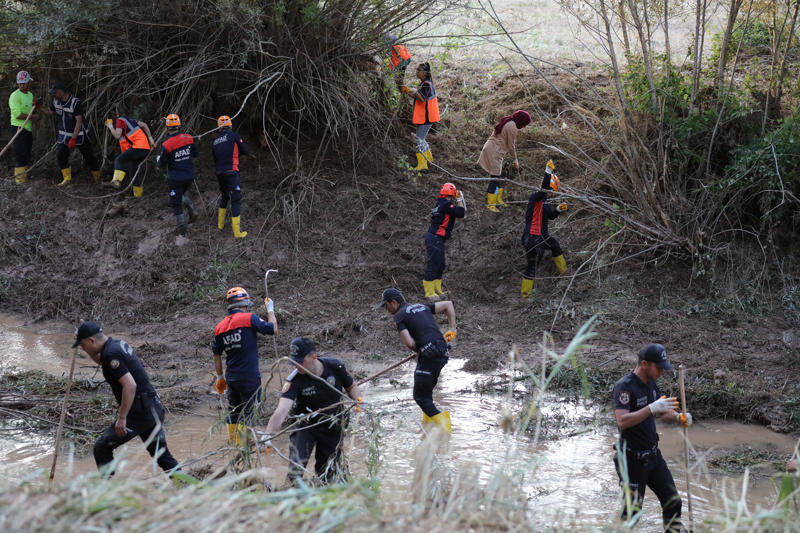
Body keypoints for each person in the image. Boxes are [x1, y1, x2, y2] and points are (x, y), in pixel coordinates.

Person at [72, 321, 180, 475]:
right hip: (153, 408)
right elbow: (103, 361)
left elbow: (130, 386)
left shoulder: (111, 354)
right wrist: (85, 347)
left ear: (92, 340)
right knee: (162, 455)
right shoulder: (116, 345)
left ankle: (106, 492)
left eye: (83, 345)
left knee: (101, 447)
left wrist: (122, 418)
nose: (82, 348)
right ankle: (188, 487)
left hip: (140, 412)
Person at [612, 343, 692, 533]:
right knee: (632, 512)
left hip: (653, 456)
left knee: (673, 501)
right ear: (645, 364)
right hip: (631, 460)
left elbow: (664, 412)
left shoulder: (651, 385)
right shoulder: (625, 387)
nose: (662, 372)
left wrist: (680, 417)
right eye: (659, 367)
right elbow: (622, 421)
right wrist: (651, 408)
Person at [263, 337, 362, 485]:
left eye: (300, 361)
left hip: (332, 426)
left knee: (328, 472)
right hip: (305, 427)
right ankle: (291, 497)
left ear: (313, 358)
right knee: (296, 468)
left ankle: (324, 500)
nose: (296, 366)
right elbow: (282, 411)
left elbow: (351, 387)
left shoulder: (335, 367)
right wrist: (267, 434)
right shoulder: (294, 381)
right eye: (293, 362)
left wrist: (358, 401)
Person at [376, 288, 457, 433]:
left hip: (430, 356)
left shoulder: (399, 316)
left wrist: (418, 348)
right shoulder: (422, 306)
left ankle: (444, 433)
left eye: (386, 306)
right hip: (442, 352)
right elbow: (448, 305)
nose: (386, 310)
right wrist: (452, 329)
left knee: (420, 396)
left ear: (393, 302)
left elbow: (409, 343)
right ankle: (429, 426)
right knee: (426, 394)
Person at [212, 286, 277, 446]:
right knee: (250, 412)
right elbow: (273, 329)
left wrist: (220, 378)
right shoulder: (249, 318)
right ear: (245, 302)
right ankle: (244, 448)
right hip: (249, 378)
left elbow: (216, 354)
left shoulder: (220, 327)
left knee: (234, 412)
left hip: (232, 378)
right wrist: (270, 310)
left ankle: (234, 444)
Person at [35, 81, 101, 186]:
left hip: (79, 135)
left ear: (61, 92)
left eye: (54, 92)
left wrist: (73, 138)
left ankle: (97, 177)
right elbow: (48, 112)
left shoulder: (75, 102)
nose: (53, 94)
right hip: (64, 135)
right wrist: (39, 106)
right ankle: (67, 179)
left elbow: (79, 122)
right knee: (61, 156)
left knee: (89, 156)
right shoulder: (56, 101)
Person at [520, 160, 568, 301]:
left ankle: (565, 274)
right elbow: (544, 189)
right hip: (532, 238)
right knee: (532, 267)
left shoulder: (545, 201)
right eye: (553, 192)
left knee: (555, 246)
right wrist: (547, 172)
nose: (553, 195)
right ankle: (525, 297)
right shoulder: (537, 196)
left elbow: (551, 216)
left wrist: (558, 210)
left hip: (542, 236)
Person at [477, 110, 532, 211]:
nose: (524, 127)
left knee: (498, 175)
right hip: (494, 151)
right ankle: (491, 204)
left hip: (493, 149)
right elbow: (511, 146)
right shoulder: (512, 127)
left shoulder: (509, 122)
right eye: (524, 124)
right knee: (495, 177)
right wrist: (515, 159)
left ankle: (498, 199)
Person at [157, 114, 199, 237]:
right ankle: (191, 211)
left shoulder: (167, 144)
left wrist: (159, 158)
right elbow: (196, 153)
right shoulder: (189, 138)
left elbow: (161, 165)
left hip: (176, 178)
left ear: (166, 128)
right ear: (179, 125)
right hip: (189, 176)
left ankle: (183, 234)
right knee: (181, 194)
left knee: (176, 204)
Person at [424, 182, 465, 299]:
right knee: (434, 264)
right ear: (452, 193)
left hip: (435, 237)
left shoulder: (439, 203)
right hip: (435, 236)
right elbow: (461, 213)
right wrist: (460, 199)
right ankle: (429, 293)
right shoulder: (447, 204)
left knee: (440, 264)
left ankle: (437, 290)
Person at [212, 115, 250, 238]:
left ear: (219, 127)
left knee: (224, 196)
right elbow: (246, 151)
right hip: (232, 171)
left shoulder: (215, 141)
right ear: (231, 125)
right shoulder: (234, 136)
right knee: (236, 199)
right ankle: (237, 232)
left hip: (219, 172)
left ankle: (220, 225)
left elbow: (215, 158)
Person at [103, 104, 155, 195]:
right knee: (133, 171)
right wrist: (151, 139)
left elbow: (117, 136)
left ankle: (116, 181)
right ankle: (138, 195)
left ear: (113, 113)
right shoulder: (130, 119)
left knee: (119, 160)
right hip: (145, 149)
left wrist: (110, 126)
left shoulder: (120, 121)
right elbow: (145, 125)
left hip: (137, 147)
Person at [400, 62, 440, 171]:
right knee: (421, 139)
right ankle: (429, 159)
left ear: (425, 73)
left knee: (419, 140)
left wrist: (412, 90)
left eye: (419, 70)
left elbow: (421, 98)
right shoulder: (424, 83)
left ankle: (422, 165)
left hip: (426, 117)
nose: (416, 72)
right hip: (427, 116)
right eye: (416, 70)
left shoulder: (426, 84)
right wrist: (408, 92)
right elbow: (417, 97)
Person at [8, 71, 41, 184]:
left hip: (27, 128)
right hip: (18, 128)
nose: (22, 85)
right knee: (20, 153)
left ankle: (25, 176)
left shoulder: (30, 95)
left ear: (28, 83)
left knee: (27, 152)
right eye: (20, 83)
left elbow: (30, 110)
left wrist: (35, 120)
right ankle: (19, 181)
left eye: (24, 83)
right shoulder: (15, 96)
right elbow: (18, 114)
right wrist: (34, 117)